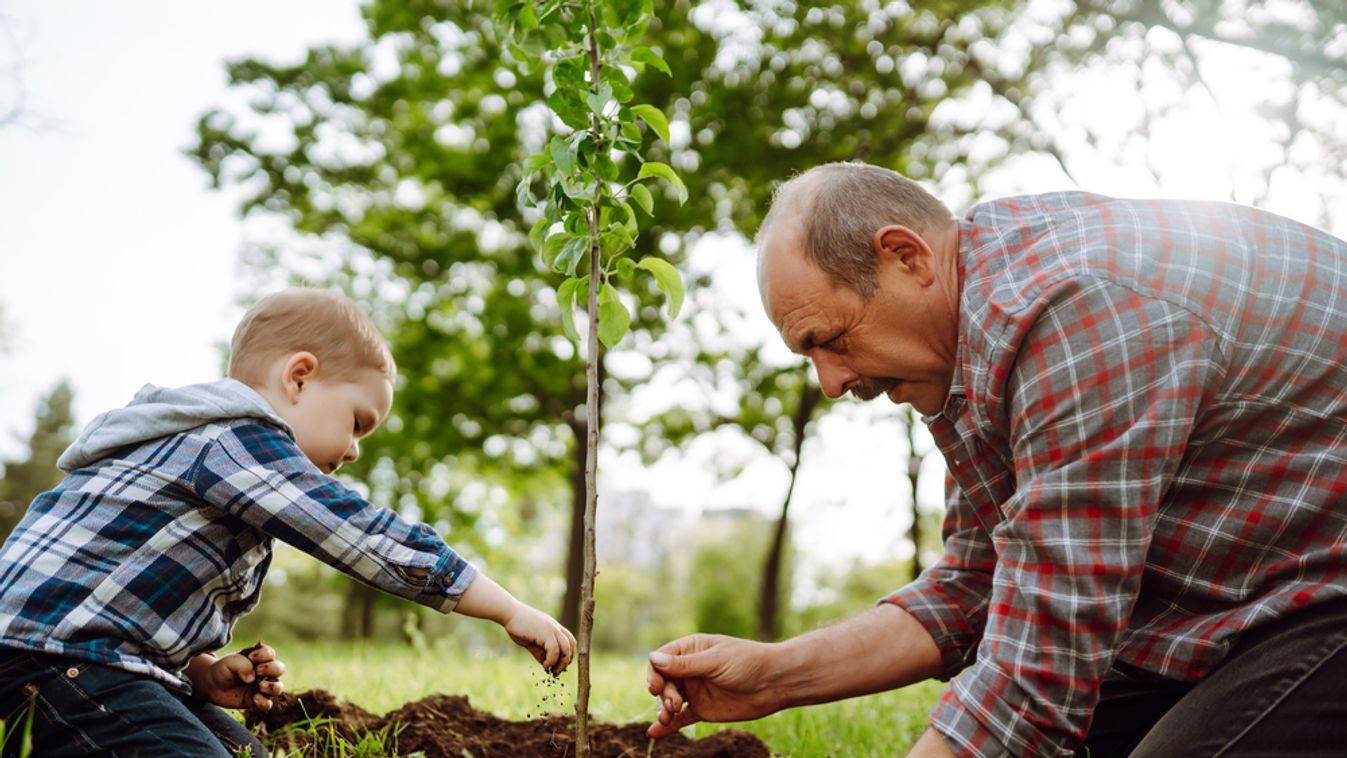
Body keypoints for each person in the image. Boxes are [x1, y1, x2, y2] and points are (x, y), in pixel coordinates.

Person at [647, 162, 1347, 757]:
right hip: (1253, 598)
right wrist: (775, 676)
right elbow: (977, 581)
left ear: (905, 257)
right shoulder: (971, 341)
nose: (832, 383)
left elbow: (1040, 661)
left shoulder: (1072, 309)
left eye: (829, 339)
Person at [0, 288, 575, 757]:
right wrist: (507, 607)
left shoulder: (205, 452)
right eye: (357, 422)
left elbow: (114, 604)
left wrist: (202, 674)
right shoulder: (234, 440)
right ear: (299, 377)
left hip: (86, 663)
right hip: (45, 665)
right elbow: (359, 532)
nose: (353, 450)